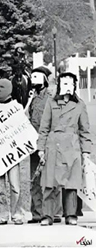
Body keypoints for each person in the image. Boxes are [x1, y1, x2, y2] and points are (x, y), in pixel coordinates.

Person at [38, 72, 92, 226]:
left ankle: (70, 214)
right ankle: (47, 215)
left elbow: (84, 130)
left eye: (70, 83)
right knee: (49, 181)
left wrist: (86, 152)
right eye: (64, 83)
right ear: (60, 85)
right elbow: (44, 127)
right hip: (53, 145)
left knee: (71, 183)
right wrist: (41, 148)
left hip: (71, 147)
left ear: (74, 85)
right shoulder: (51, 102)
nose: (67, 86)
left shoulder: (80, 104)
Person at [0, 78, 25, 225]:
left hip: (13, 152)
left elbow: (22, 129)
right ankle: (1, 215)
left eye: (2, 87)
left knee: (15, 186)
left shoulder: (18, 107)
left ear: (9, 89)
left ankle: (17, 214)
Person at [26, 66, 62, 224]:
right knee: (34, 178)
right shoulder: (31, 97)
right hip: (33, 142)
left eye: (38, 77)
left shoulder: (52, 96)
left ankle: (55, 212)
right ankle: (37, 213)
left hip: (49, 141)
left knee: (52, 177)